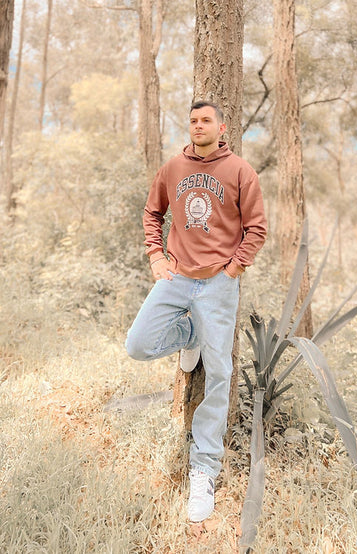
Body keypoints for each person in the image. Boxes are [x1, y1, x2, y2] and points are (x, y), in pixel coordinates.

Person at [125, 100, 267, 522]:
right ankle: (191, 336)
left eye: (206, 120)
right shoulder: (173, 168)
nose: (198, 126)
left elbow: (257, 227)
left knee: (219, 374)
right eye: (193, 121)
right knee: (138, 344)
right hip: (176, 277)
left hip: (219, 285)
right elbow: (152, 212)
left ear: (221, 128)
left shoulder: (240, 171)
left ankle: (204, 470)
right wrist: (156, 256)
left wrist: (234, 268)